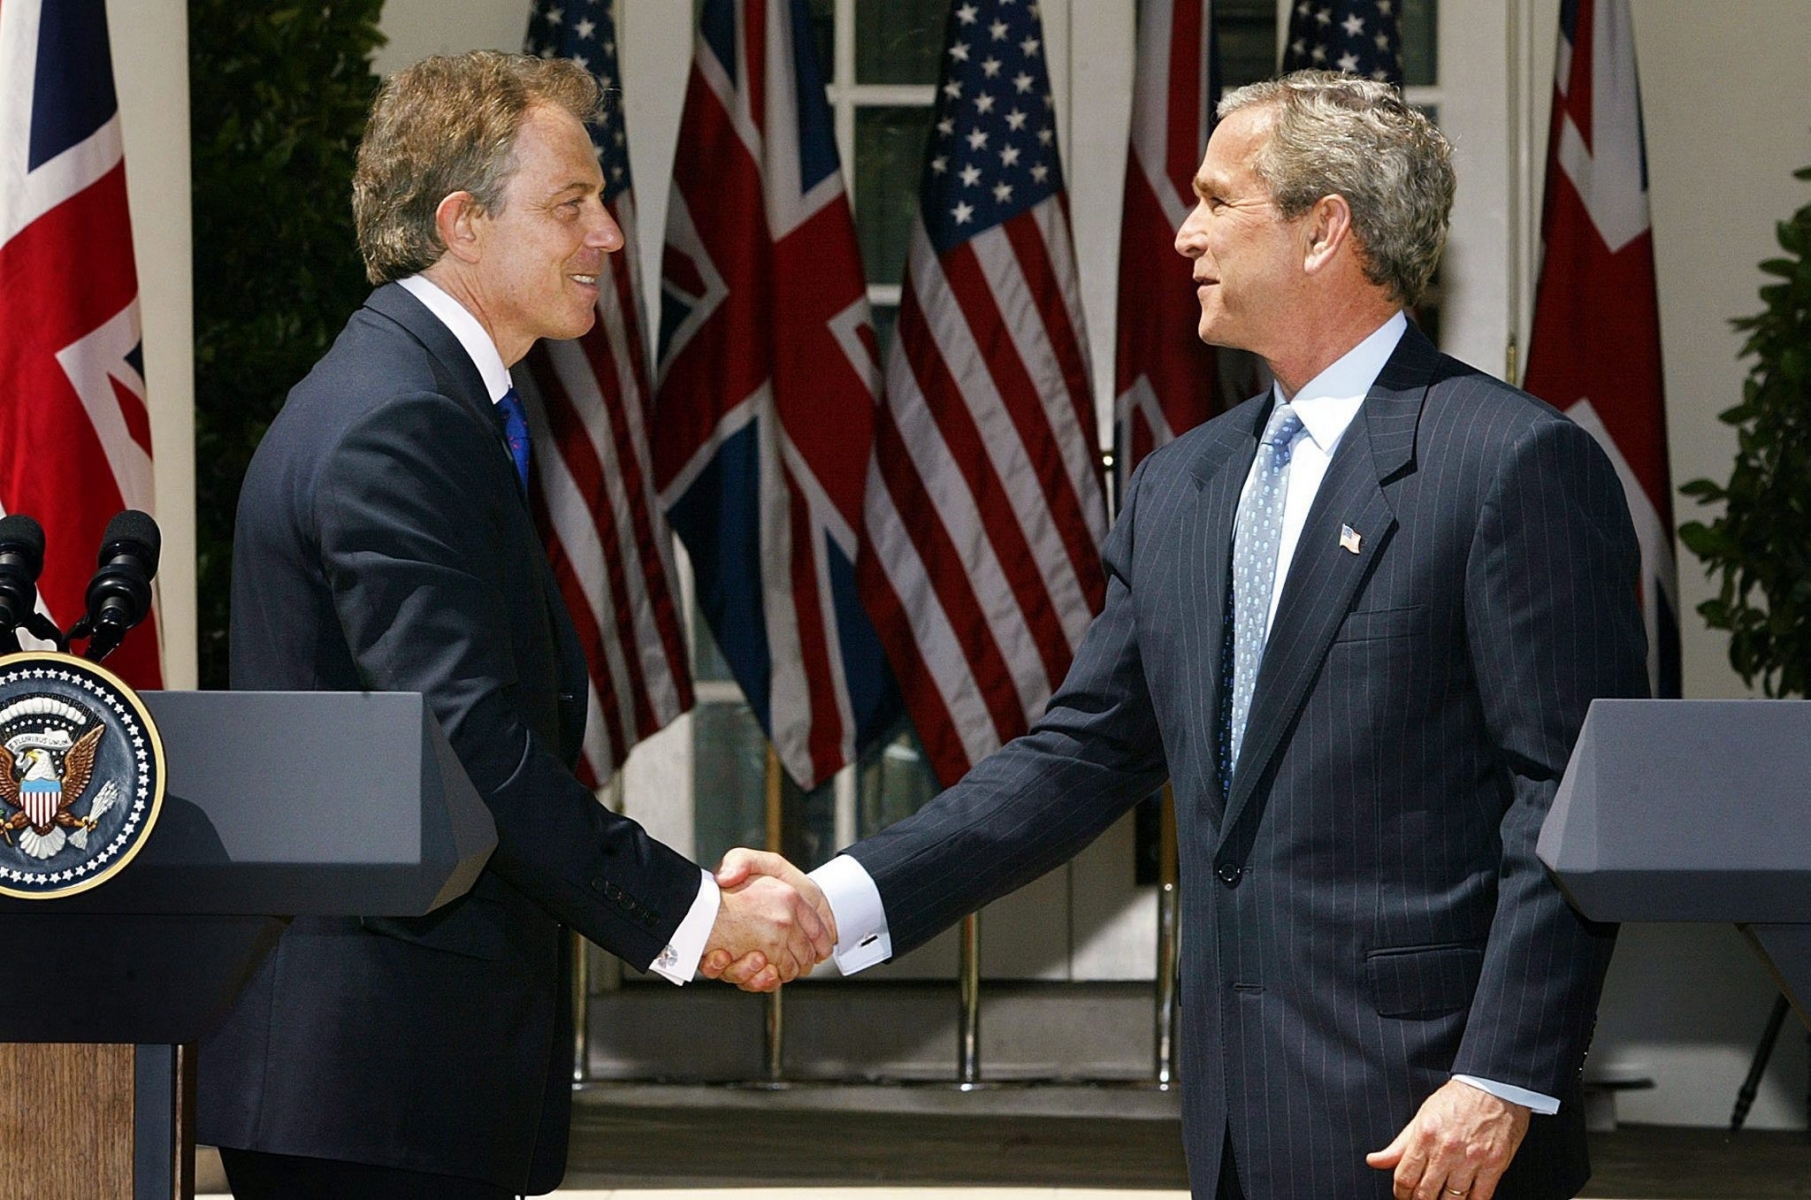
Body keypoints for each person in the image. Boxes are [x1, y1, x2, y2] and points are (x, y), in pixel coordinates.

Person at [713, 71, 1648, 1200]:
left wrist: (1501, 1076)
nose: (1181, 232)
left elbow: (1565, 800)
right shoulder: (1181, 486)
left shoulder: (1510, 465)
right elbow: (1079, 756)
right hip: (1232, 1122)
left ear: (1323, 230)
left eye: (1215, 199)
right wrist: (835, 898)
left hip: (1435, 1121)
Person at [197, 52, 832, 1200]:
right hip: (374, 1090)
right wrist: (698, 916)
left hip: (386, 1084)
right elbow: (469, 745)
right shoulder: (398, 422)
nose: (609, 236)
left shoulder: (419, 398)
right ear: (460, 222)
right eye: (569, 204)